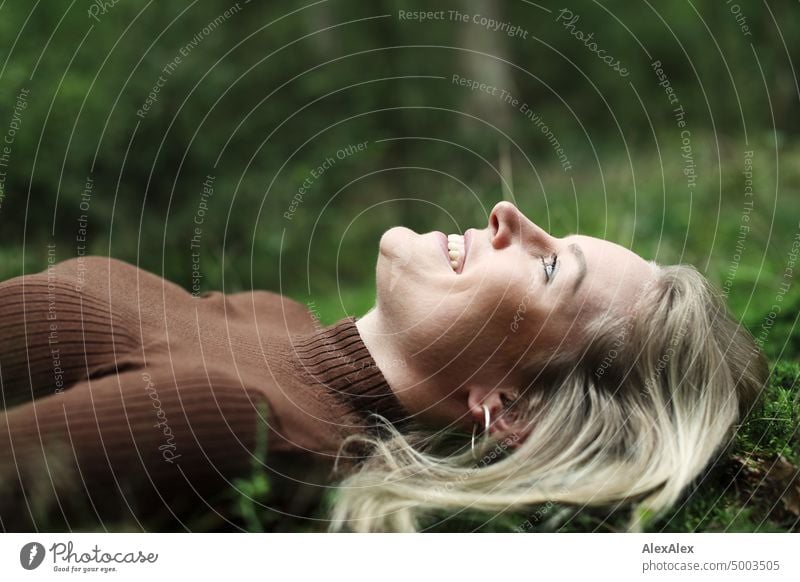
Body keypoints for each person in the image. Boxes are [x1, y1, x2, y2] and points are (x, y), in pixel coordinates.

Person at [0, 201, 765, 532]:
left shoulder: (249, 430)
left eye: (548, 270)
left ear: (512, 410)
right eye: (552, 232)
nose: (509, 216)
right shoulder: (273, 315)